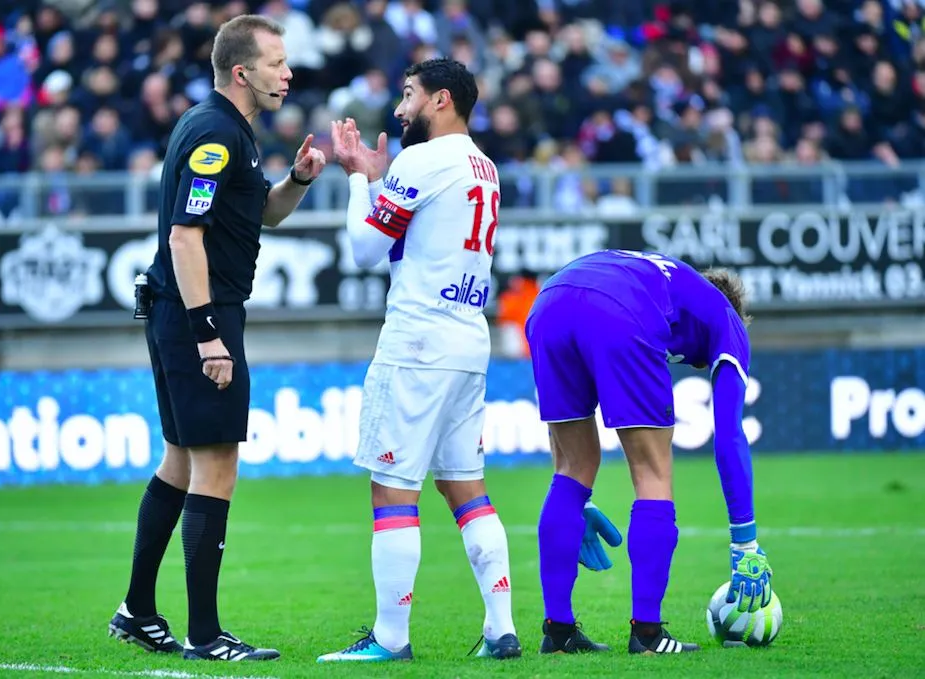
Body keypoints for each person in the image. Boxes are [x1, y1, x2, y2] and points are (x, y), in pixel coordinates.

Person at [315, 58, 618, 663]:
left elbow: (366, 249)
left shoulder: (423, 160)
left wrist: (355, 178)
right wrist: (381, 185)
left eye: (408, 95)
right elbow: (416, 238)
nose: (400, 109)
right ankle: (501, 629)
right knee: (466, 489)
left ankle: (389, 639)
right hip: (466, 339)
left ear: (441, 100)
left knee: (393, 489)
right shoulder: (485, 165)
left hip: (418, 340)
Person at [107, 14, 326, 662]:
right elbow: (184, 235)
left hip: (182, 310)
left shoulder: (230, 131)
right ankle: (206, 634)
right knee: (216, 464)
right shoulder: (214, 134)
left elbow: (260, 213)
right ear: (241, 71)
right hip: (198, 315)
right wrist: (209, 335)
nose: (287, 73)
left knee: (179, 459)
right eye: (276, 62)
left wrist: (301, 178)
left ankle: (137, 611)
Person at [524, 249, 774, 655]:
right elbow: (729, 437)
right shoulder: (727, 318)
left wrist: (573, 507)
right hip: (620, 311)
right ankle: (647, 634)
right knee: (652, 473)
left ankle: (559, 633)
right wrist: (745, 544)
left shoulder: (669, 280)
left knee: (572, 469)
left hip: (549, 303)